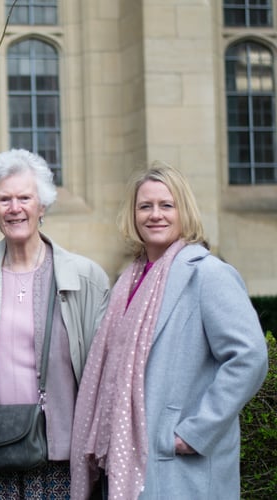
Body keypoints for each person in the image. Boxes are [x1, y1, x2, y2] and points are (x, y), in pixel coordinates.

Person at [70, 162, 269, 499]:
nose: (155, 215)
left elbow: (249, 357)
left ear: (184, 211)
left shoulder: (207, 274)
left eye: (166, 205)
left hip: (177, 462)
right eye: (145, 206)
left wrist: (195, 432)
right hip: (124, 460)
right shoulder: (128, 281)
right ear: (133, 215)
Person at [0, 149, 110, 498]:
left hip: (60, 455)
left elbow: (104, 372)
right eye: (4, 199)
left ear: (42, 205)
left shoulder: (85, 278)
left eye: (25, 197)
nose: (15, 208)